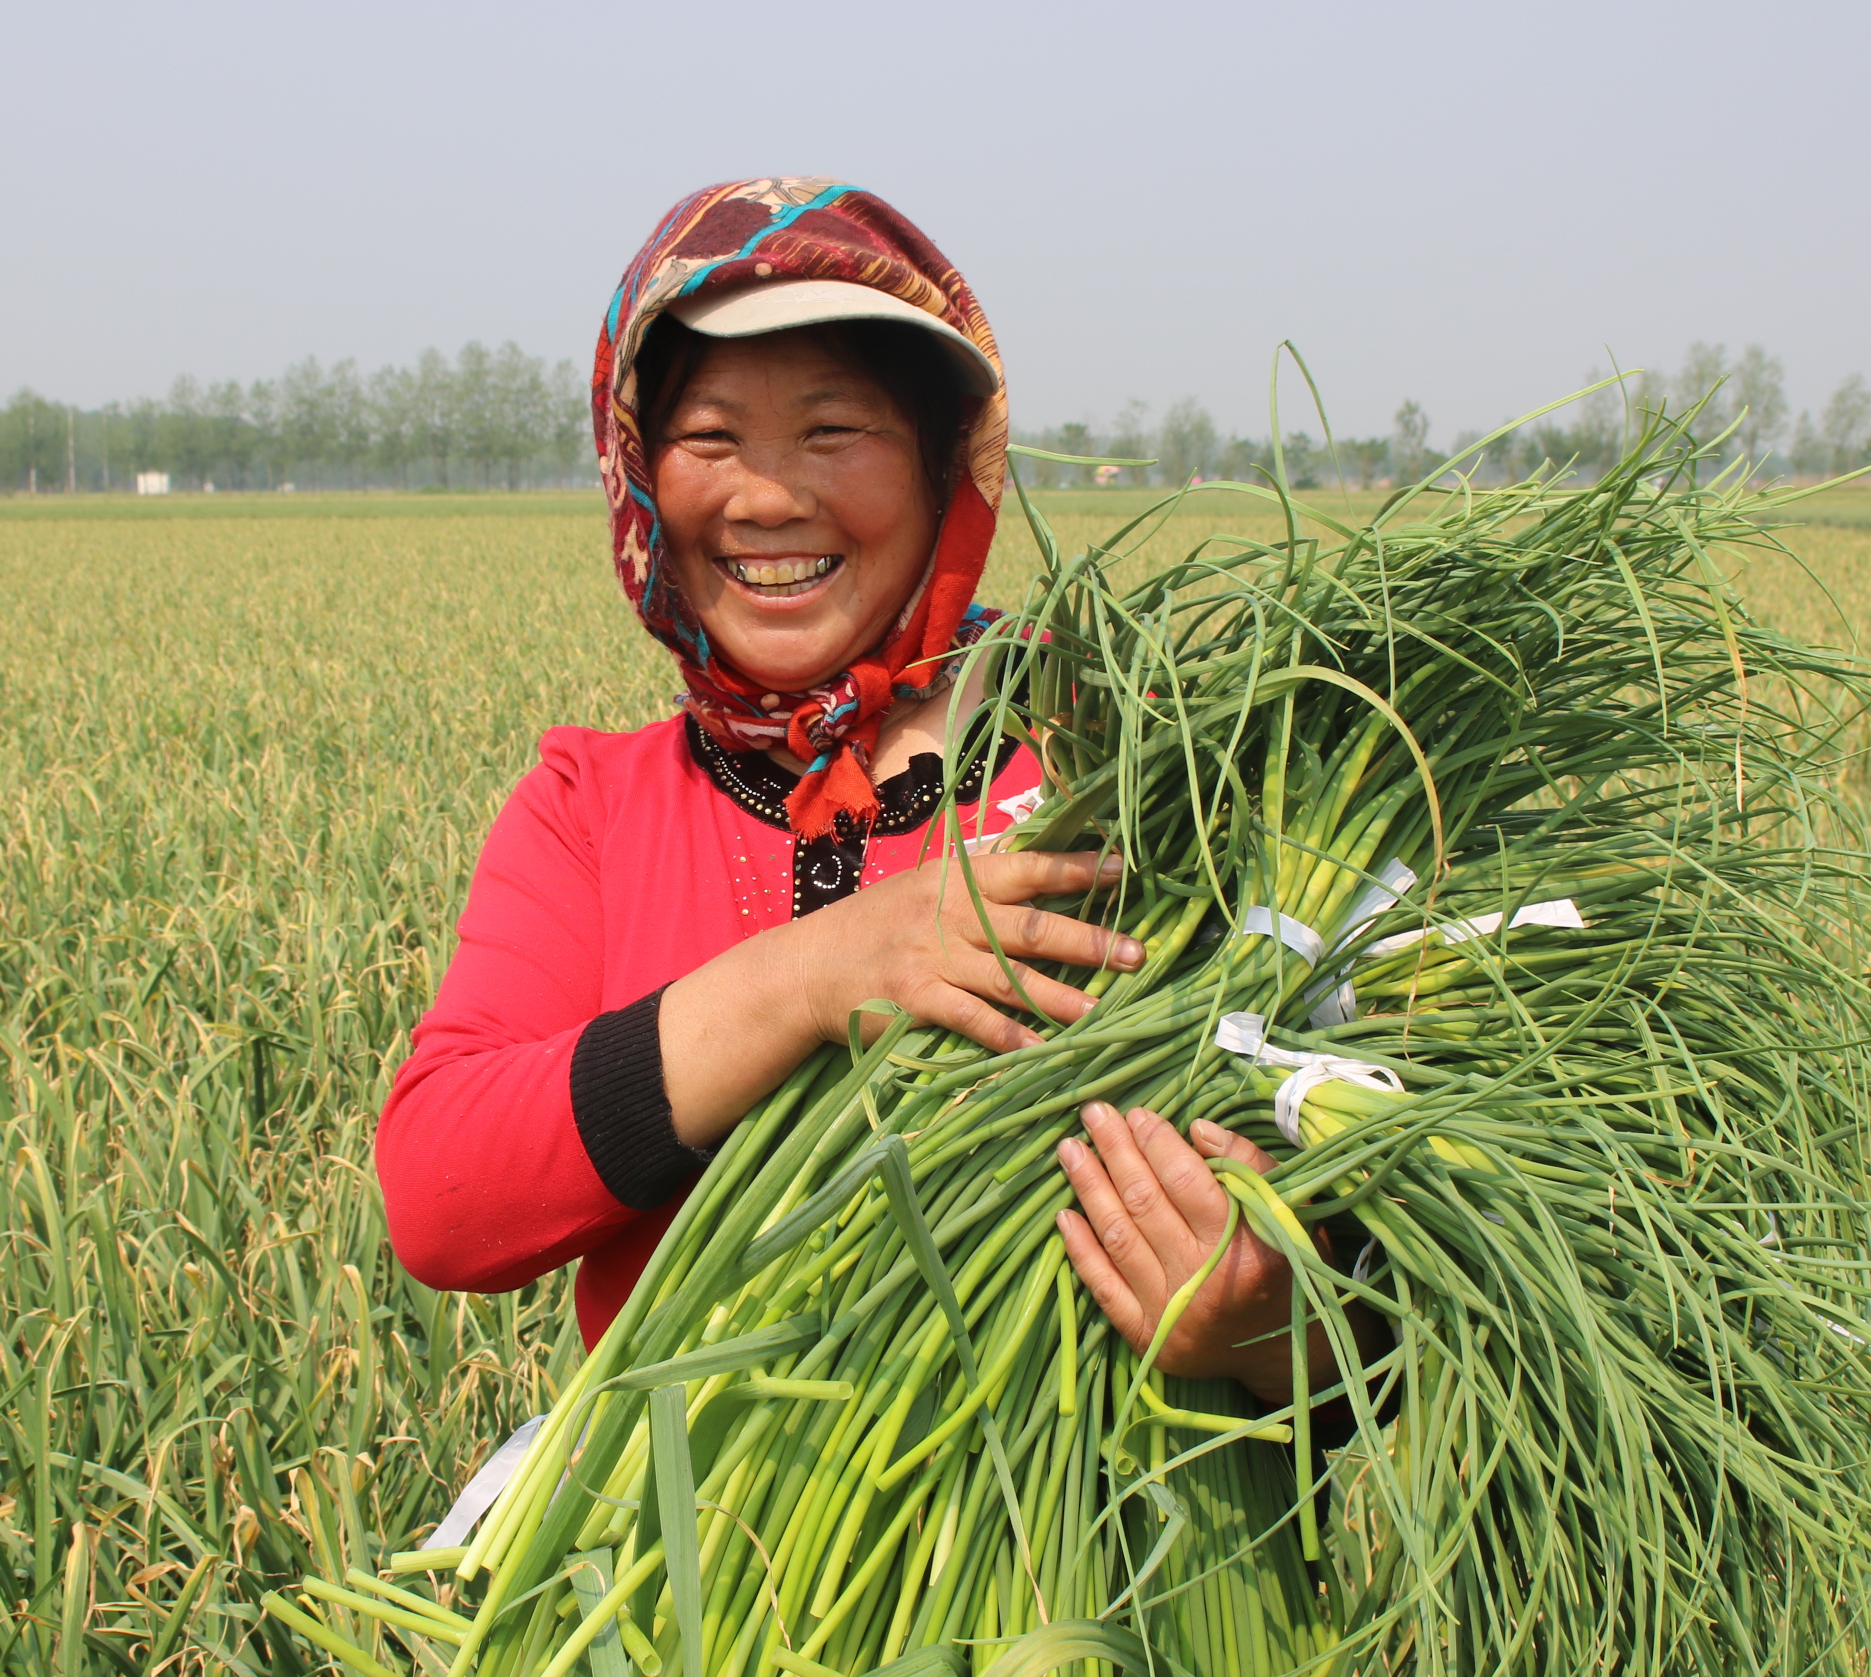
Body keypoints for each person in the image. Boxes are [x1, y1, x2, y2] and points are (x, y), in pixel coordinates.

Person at [377, 178, 1325, 1407]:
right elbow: (444, 1196)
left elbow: (1375, 1264)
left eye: (834, 433)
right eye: (710, 438)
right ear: (639, 476)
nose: (768, 497)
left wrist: (1266, 1330)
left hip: (1102, 1569)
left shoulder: (1132, 755)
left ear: (946, 465)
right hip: (690, 1566)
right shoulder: (595, 808)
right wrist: (812, 976)